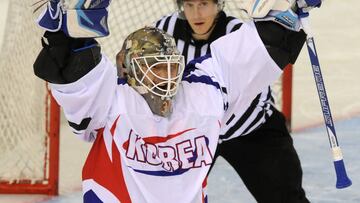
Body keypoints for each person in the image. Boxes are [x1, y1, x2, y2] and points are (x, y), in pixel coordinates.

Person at [33, 1, 311, 202]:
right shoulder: (113, 101)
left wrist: (287, 14)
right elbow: (74, 72)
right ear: (130, 70)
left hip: (250, 132)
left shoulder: (200, 95)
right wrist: (65, 36)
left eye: (169, 67)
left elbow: (257, 53)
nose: (165, 78)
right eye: (155, 68)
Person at [154, 0, 320, 202]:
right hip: (195, 134)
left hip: (251, 130)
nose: (196, 13)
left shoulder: (238, 33)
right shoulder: (164, 31)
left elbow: (258, 84)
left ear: (218, 5)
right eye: (189, 5)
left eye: (204, 4)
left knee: (285, 198)